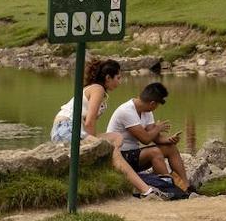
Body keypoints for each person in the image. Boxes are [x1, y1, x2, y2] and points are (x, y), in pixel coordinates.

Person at [50, 59, 163, 199]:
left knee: (117, 137)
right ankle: (146, 191)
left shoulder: (96, 89)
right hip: (66, 129)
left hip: (72, 129)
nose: (120, 81)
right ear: (108, 78)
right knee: (113, 151)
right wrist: (95, 145)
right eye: (118, 77)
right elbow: (90, 121)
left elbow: (86, 121)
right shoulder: (98, 89)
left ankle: (117, 169)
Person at [107, 82, 191, 192]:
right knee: (154, 152)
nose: (156, 108)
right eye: (157, 105)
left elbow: (155, 138)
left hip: (134, 154)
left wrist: (169, 139)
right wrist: (158, 128)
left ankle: (185, 185)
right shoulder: (126, 111)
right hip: (120, 156)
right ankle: (168, 188)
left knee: (170, 148)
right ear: (152, 103)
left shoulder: (147, 111)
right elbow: (146, 139)